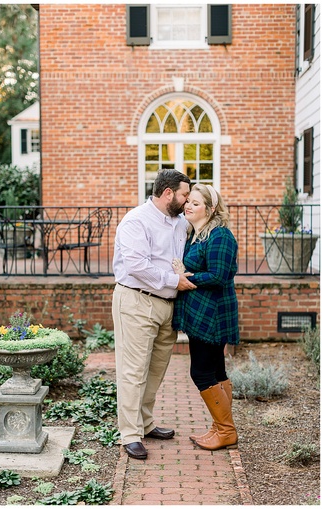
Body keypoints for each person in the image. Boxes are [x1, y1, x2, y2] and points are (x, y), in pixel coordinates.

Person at [111, 169, 196, 460]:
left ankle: (145, 423)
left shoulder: (180, 223)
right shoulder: (137, 220)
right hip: (137, 302)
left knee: (156, 371)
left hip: (168, 306)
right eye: (185, 195)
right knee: (133, 372)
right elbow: (137, 265)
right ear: (169, 193)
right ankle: (129, 435)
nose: (187, 201)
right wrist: (176, 281)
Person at [172, 184, 239, 450]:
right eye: (188, 201)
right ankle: (220, 427)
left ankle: (226, 430)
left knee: (200, 372)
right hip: (201, 313)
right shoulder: (195, 235)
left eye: (196, 203)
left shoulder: (220, 235)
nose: (188, 206)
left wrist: (187, 276)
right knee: (216, 370)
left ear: (211, 209)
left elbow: (219, 275)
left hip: (214, 314)